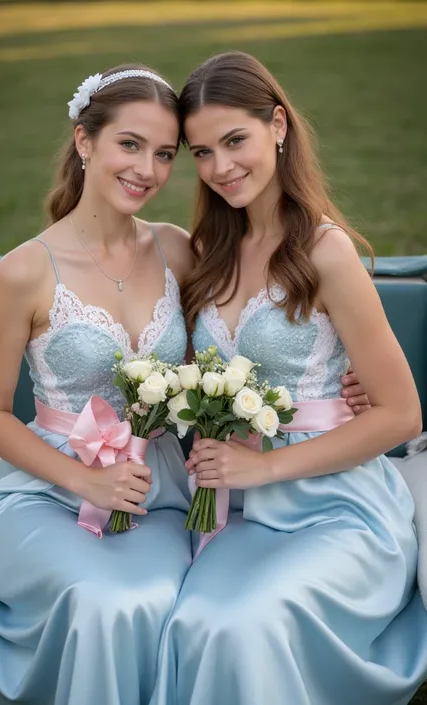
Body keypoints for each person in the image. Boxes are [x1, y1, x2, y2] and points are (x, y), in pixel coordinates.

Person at [151, 51, 427, 705]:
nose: (221, 167)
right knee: (193, 619)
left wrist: (267, 466)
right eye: (202, 152)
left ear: (277, 125)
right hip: (229, 509)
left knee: (244, 623)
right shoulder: (208, 253)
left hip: (333, 508)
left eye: (235, 140)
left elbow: (400, 413)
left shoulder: (325, 252)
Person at [0, 64, 194, 705]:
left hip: (159, 490)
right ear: (85, 141)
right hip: (49, 490)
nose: (146, 169)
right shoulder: (26, 270)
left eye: (165, 154)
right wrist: (87, 479)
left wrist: (347, 381)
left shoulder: (177, 250)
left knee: (158, 597)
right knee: (100, 601)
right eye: (129, 144)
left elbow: (237, 337)